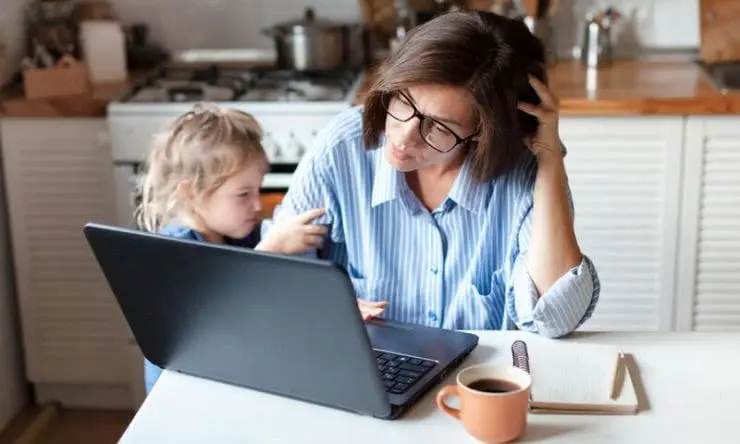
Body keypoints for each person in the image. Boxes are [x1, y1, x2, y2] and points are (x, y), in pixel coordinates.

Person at [269, 10, 600, 338]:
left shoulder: (525, 172)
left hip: (476, 382)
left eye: (439, 126)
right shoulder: (342, 147)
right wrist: (326, 306)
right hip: (363, 374)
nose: (403, 135)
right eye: (401, 101)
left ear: (483, 133)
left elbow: (556, 319)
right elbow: (277, 276)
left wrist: (551, 160)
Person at [134, 104, 330, 394]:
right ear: (190, 193)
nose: (256, 204)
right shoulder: (176, 252)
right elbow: (221, 319)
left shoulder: (238, 234)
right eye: (242, 194)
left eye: (258, 189)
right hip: (181, 401)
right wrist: (272, 249)